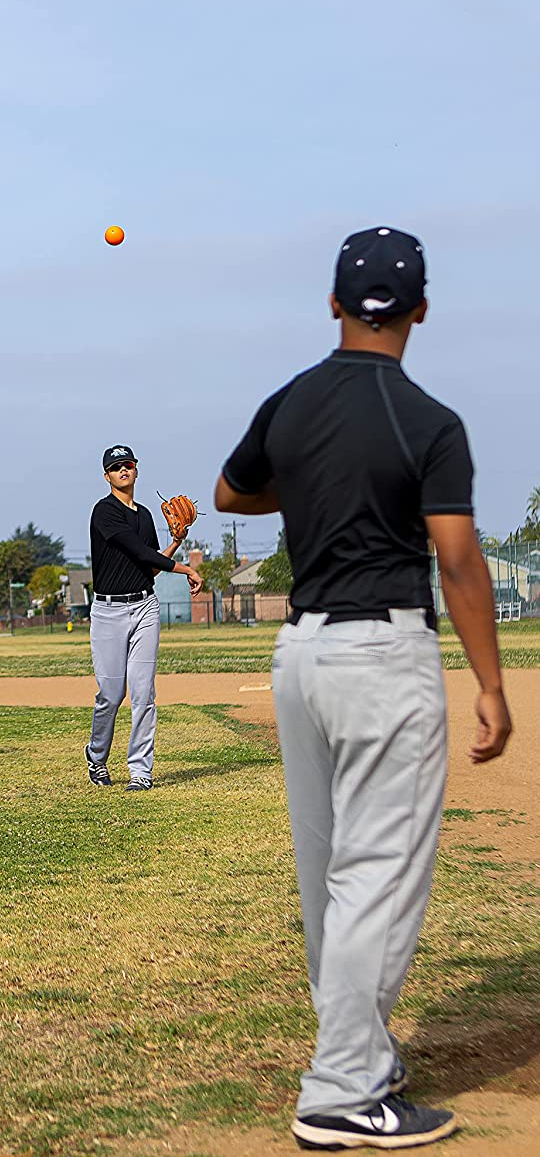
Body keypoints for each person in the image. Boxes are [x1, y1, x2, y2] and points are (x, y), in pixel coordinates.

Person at [216, 226, 512, 1151]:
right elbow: (459, 562)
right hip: (382, 657)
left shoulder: (292, 403)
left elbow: (231, 496)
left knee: (331, 876)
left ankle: (359, 1056)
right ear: (421, 308)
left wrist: (307, 488)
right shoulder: (428, 421)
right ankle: (343, 1089)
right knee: (376, 876)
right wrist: (492, 685)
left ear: (335, 304)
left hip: (299, 657)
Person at [85, 445, 204, 791]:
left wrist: (176, 543)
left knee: (143, 693)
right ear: (106, 476)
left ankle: (141, 771)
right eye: (116, 466)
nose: (123, 469)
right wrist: (184, 568)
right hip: (107, 612)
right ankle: (96, 755)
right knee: (110, 693)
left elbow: (149, 565)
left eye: (128, 464)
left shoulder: (146, 515)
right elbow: (135, 550)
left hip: (144, 608)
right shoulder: (104, 512)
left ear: (136, 470)